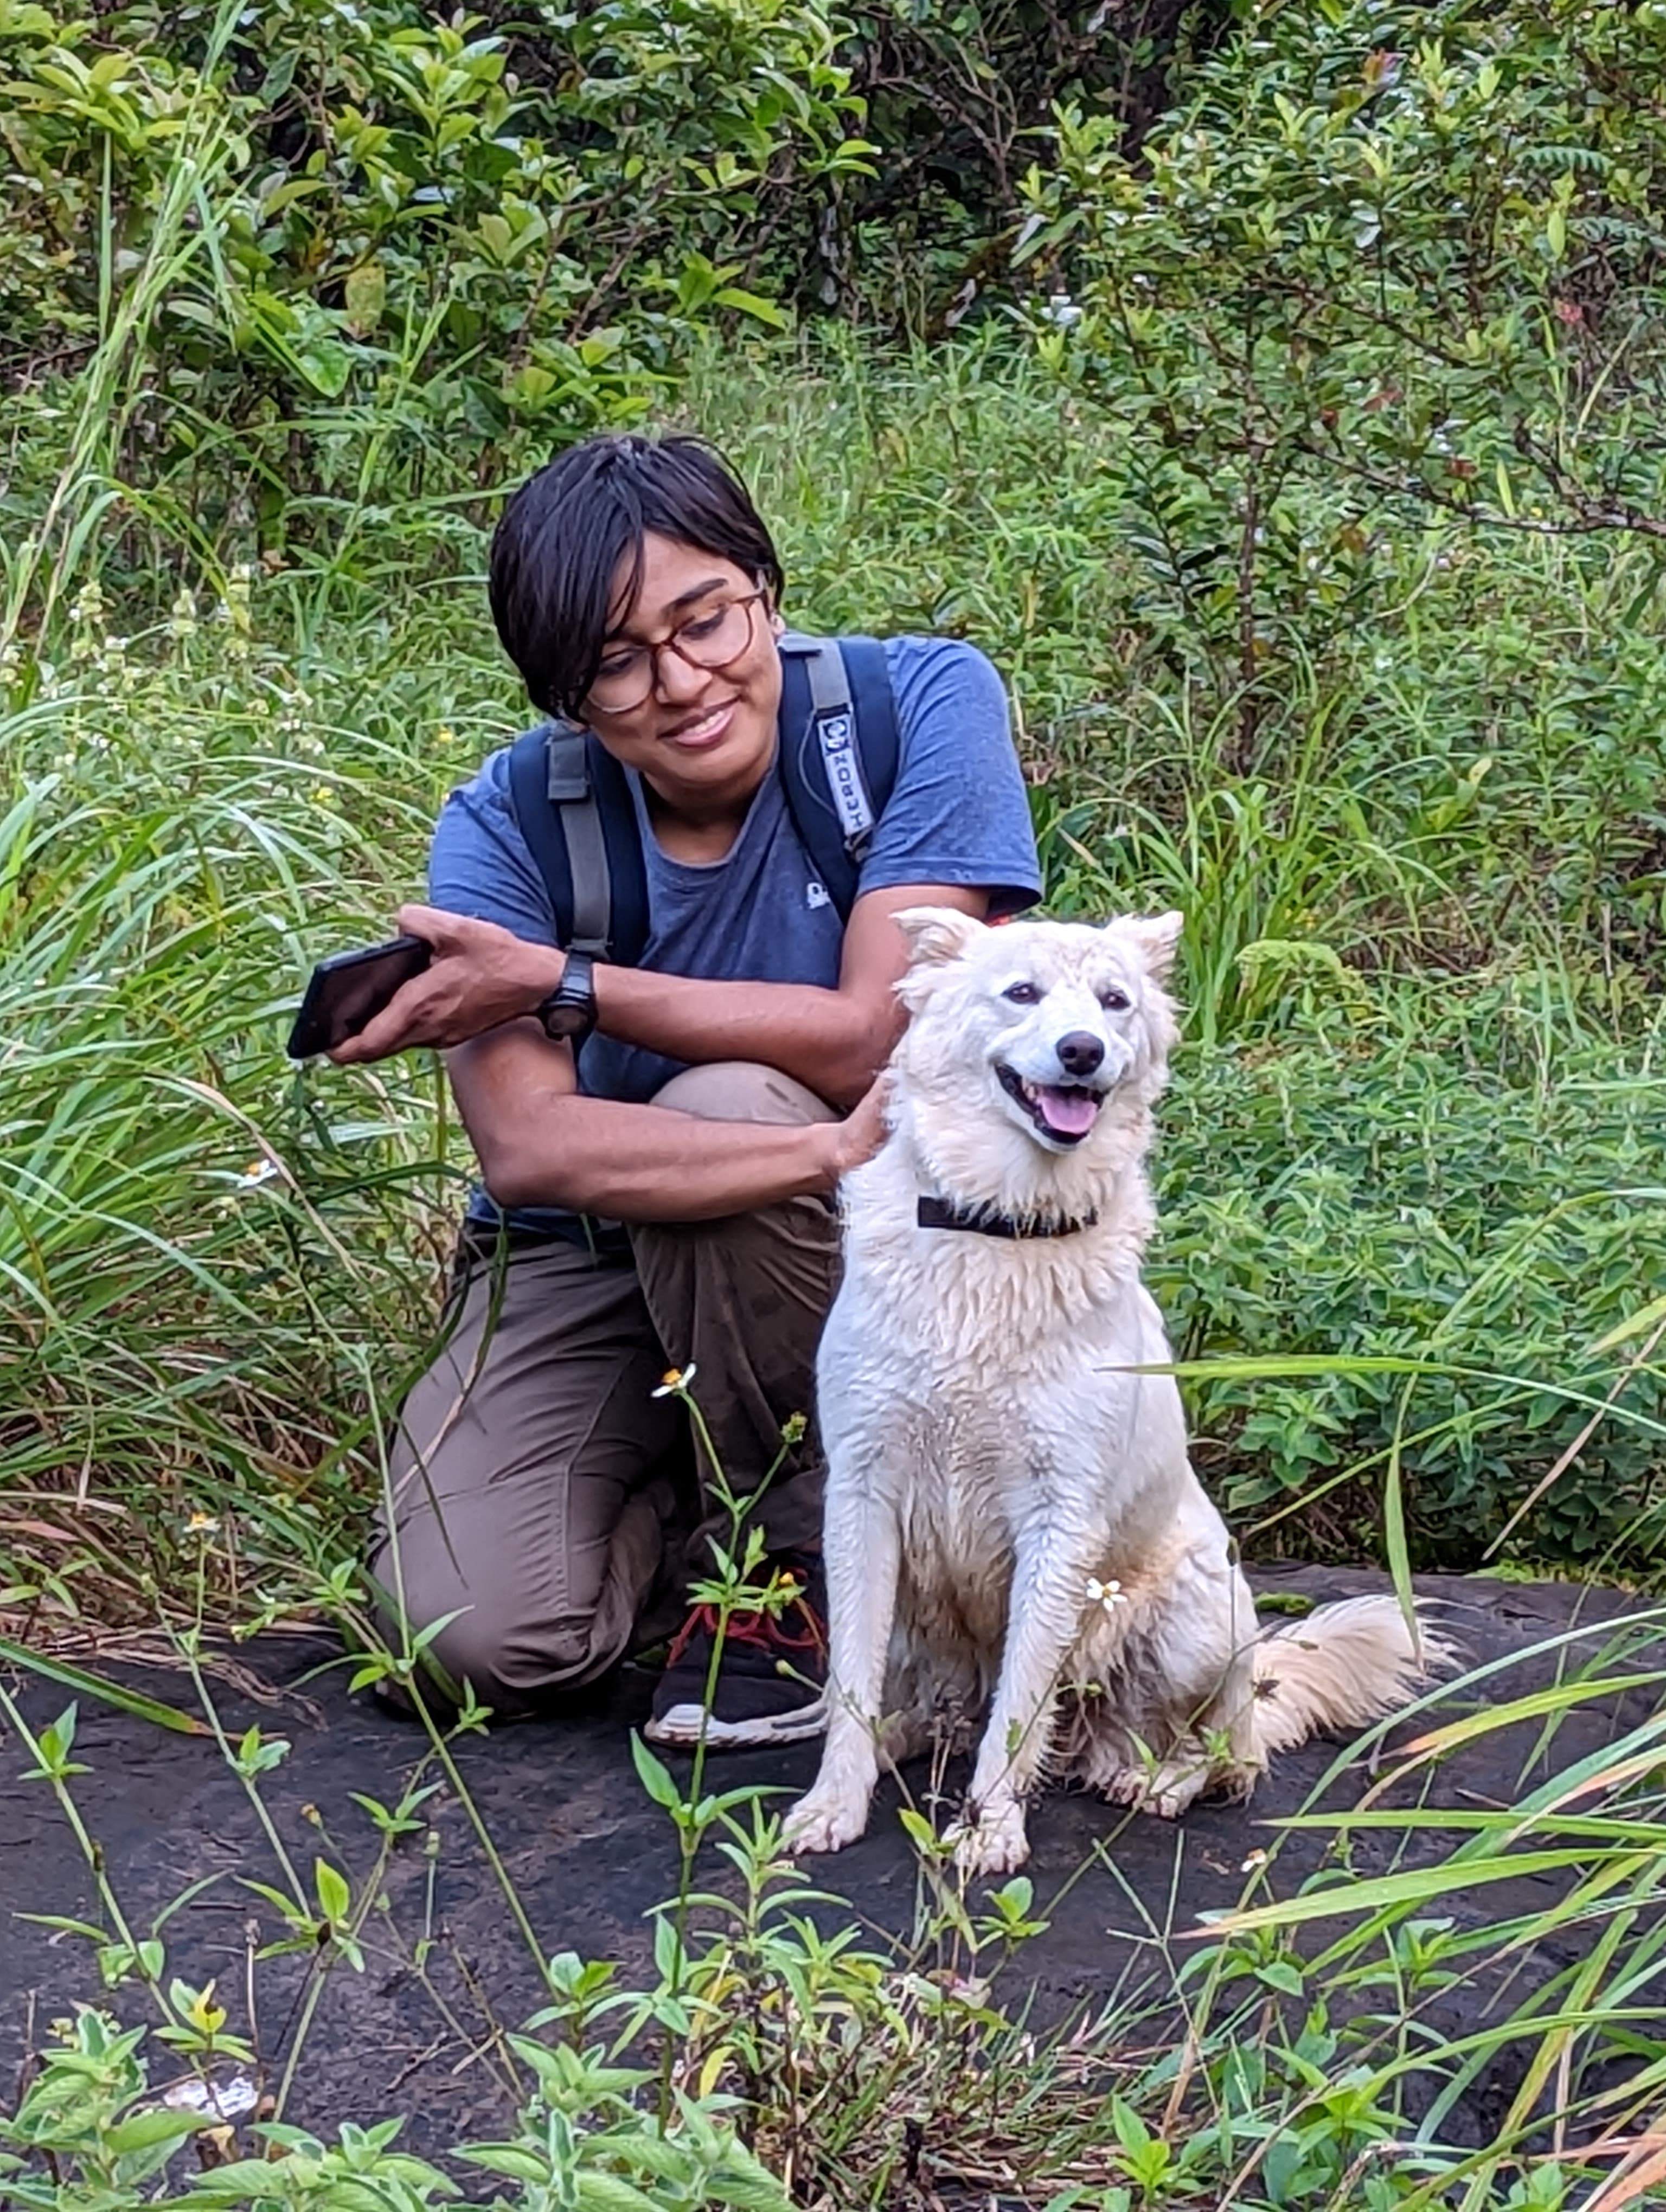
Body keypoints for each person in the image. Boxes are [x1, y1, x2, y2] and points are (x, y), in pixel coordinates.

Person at [332, 430, 1042, 1747]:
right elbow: (530, 1154)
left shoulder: (916, 708)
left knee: (727, 1106)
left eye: (706, 620)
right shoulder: (506, 819)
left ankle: (787, 1569)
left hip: (873, 1245)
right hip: (586, 1258)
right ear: (564, 695)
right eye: (615, 663)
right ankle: (675, 1500)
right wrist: (819, 1150)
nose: (682, 683)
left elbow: (866, 1039)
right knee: (469, 1643)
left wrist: (566, 985)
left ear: (763, 585)